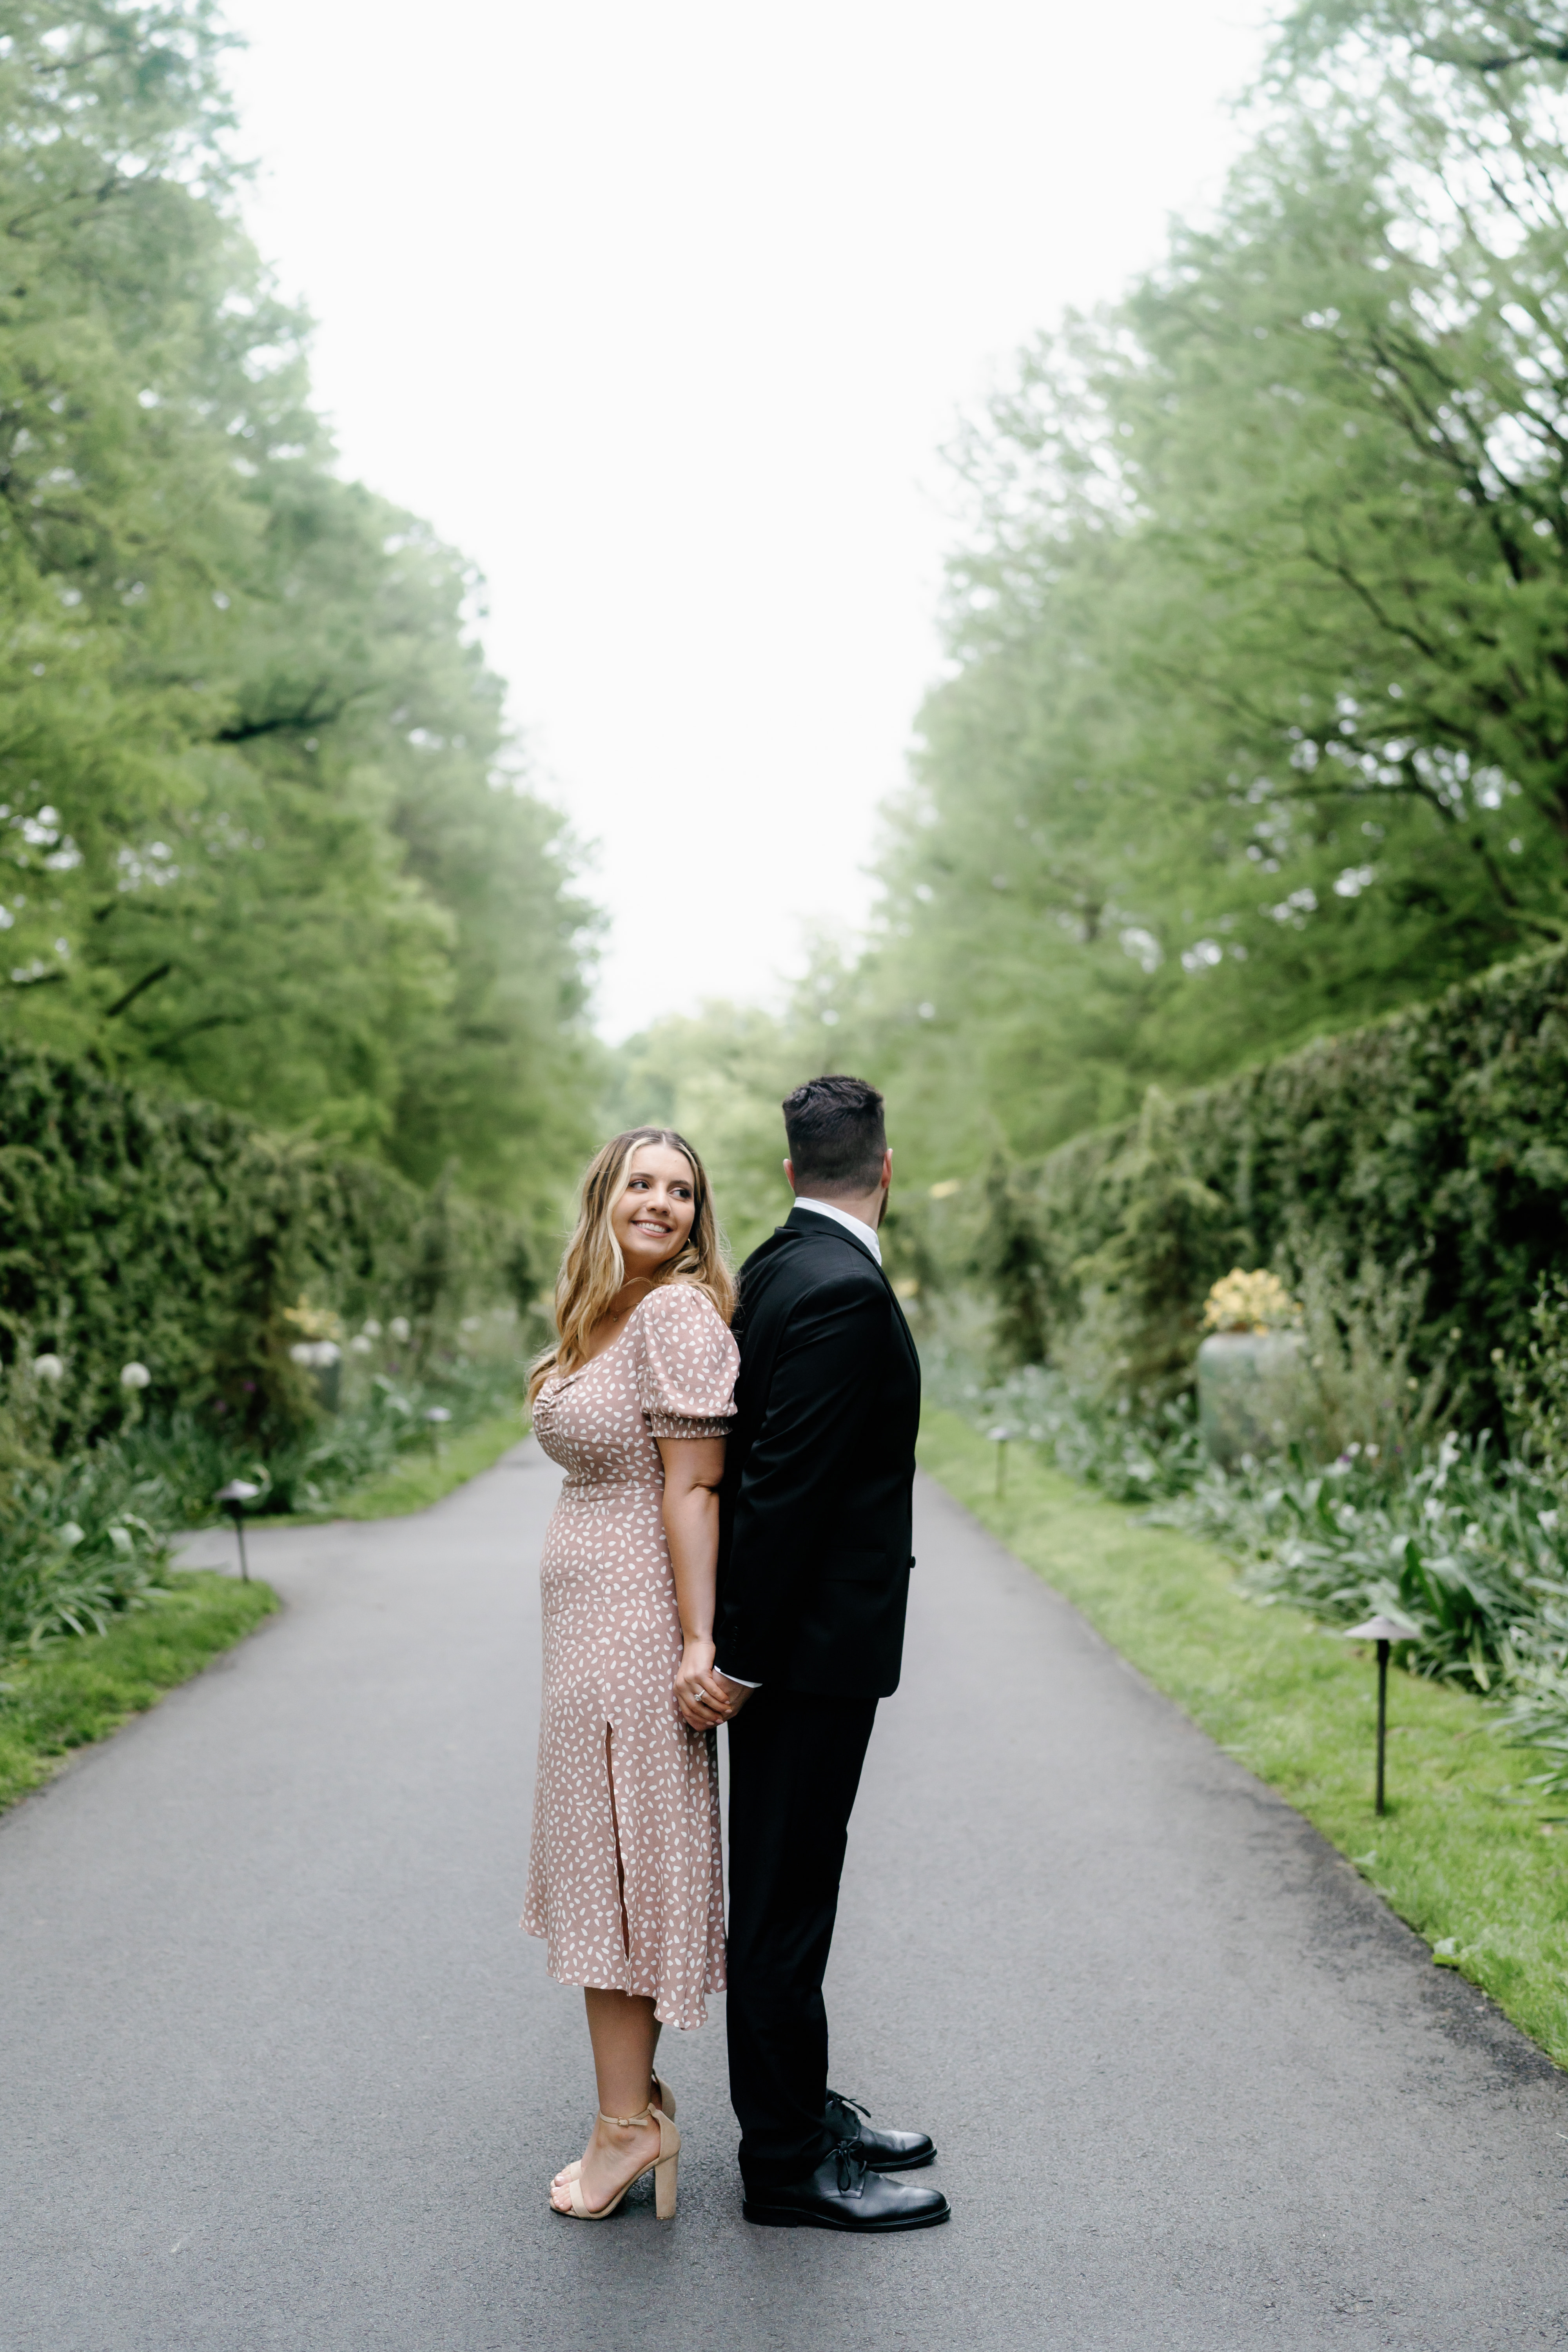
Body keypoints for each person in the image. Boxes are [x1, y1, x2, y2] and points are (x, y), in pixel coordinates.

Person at [710, 1074, 950, 2233]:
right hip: (800, 1663)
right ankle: (786, 2165)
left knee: (788, 1894)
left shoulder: (773, 1264)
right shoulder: (842, 1288)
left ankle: (801, 2109)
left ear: (794, 1169)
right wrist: (744, 1660)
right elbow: (783, 1492)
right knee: (783, 1907)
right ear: (887, 1167)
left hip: (798, 1658)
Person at [524, 1127, 744, 2221]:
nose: (660, 1203)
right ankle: (629, 2106)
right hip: (583, 1637)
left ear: (700, 1216)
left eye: (683, 1191)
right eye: (642, 1183)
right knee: (601, 1869)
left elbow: (696, 1486)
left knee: (617, 1878)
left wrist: (700, 1644)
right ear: (606, 1197)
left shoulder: (674, 1313)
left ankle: (627, 2130)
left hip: (635, 1631)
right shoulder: (604, 1309)